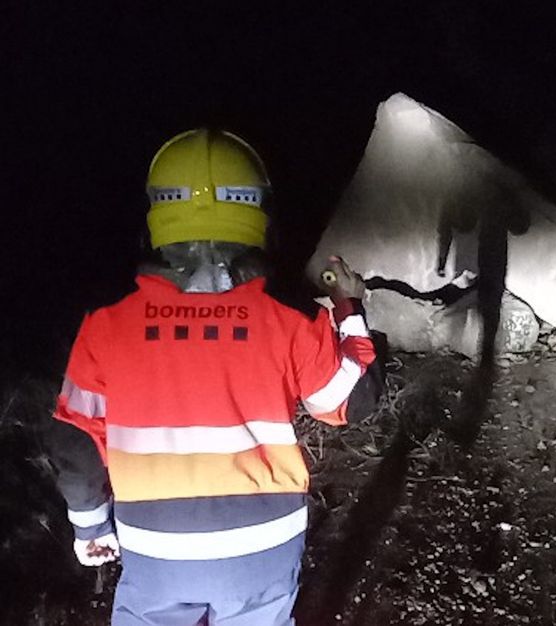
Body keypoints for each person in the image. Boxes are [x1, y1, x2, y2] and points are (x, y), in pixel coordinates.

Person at [50, 128, 379, 625]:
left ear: (157, 215)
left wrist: (90, 526)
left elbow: (75, 437)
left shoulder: (105, 327)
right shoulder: (287, 320)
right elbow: (352, 402)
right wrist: (349, 308)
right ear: (258, 213)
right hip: (263, 545)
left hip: (155, 547)